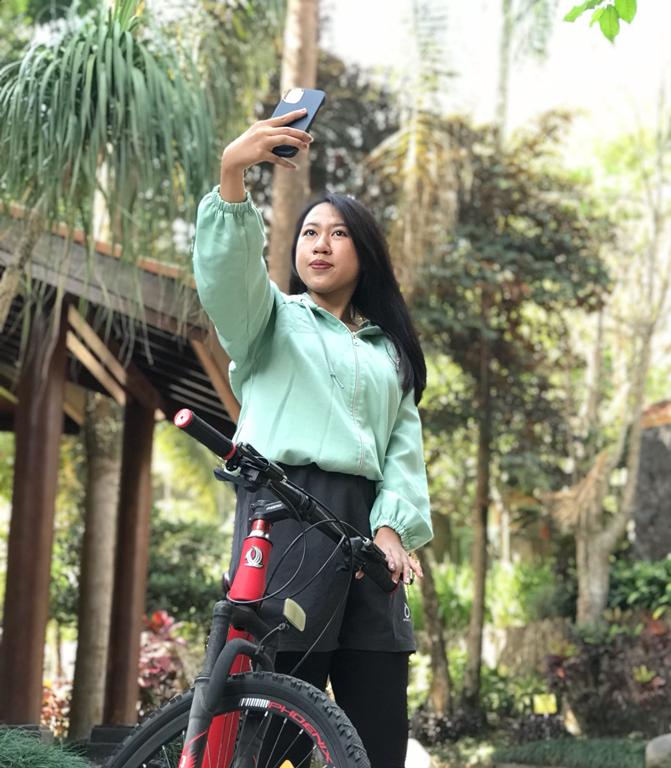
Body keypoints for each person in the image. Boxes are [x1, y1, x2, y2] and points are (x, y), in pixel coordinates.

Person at [192, 107, 432, 768]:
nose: (319, 244)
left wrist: (394, 528)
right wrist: (234, 174)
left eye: (338, 233)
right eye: (309, 233)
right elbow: (229, 282)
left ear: (365, 253)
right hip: (284, 512)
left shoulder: (390, 352)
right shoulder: (270, 322)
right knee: (275, 725)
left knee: (377, 717)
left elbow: (403, 452)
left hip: (370, 530)